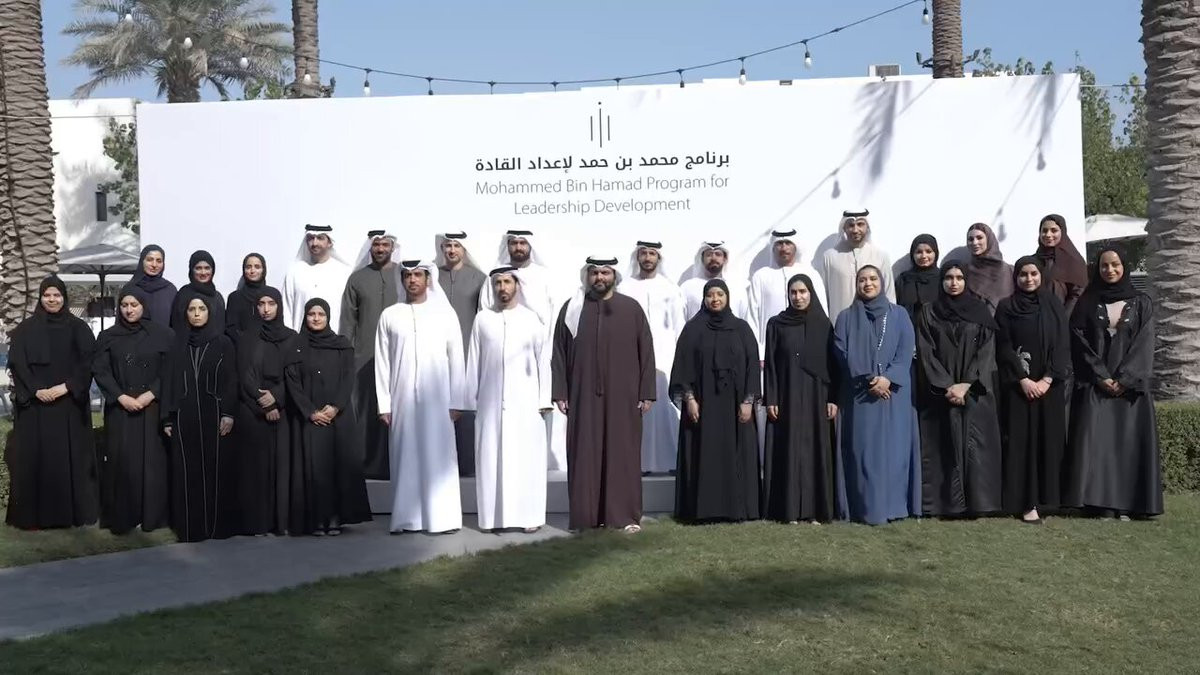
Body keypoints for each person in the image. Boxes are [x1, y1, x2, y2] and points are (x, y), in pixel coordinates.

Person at [552, 256, 655, 532]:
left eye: (605, 272)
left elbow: (646, 350)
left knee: (623, 453)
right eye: (595, 272)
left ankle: (624, 517)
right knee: (584, 453)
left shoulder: (631, 309)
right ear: (587, 275)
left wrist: (646, 392)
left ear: (614, 276)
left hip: (624, 395)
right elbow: (559, 352)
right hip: (582, 394)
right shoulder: (572, 309)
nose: (600, 277)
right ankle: (585, 518)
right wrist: (560, 391)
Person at [1065, 247, 1162, 519]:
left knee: (1127, 445)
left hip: (1131, 391)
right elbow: (1079, 342)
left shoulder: (1142, 303)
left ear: (1124, 266)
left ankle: (1129, 505)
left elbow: (1145, 343)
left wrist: (1125, 379)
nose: (1110, 270)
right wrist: (1101, 376)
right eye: (1104, 266)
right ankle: (1101, 506)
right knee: (1098, 447)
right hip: (1096, 387)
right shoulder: (1087, 303)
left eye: (1115, 264)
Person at [375, 260, 465, 534]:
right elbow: (382, 363)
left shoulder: (445, 314)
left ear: (428, 279)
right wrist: (384, 404)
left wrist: (457, 400)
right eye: (407, 275)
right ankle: (406, 519)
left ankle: (443, 520)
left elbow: (457, 358)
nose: (412, 280)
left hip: (439, 400)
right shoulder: (390, 315)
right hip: (401, 398)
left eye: (417, 275)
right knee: (405, 457)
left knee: (439, 457)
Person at [4, 276, 98, 530]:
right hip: (36, 408)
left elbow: (88, 362)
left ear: (64, 297)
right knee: (37, 460)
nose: (52, 300)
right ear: (41, 297)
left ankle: (70, 514)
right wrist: (36, 390)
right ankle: (36, 517)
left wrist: (66, 387)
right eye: (47, 295)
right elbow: (18, 364)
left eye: (57, 295)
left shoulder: (78, 328)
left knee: (70, 459)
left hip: (68, 406)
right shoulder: (25, 330)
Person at [464, 267, 552, 533]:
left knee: (526, 461)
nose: (502, 288)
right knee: (491, 460)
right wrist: (469, 400)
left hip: (526, 404)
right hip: (490, 404)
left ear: (517, 285)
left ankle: (529, 518)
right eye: (498, 283)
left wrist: (543, 400)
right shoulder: (483, 319)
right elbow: (474, 361)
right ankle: (492, 519)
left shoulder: (532, 320)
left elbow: (543, 362)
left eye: (507, 282)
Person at [914, 261, 1003, 517]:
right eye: (949, 277)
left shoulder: (980, 311)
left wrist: (966, 385)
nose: (954, 283)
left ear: (966, 281)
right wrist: (947, 385)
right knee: (943, 446)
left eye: (959, 277)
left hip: (975, 392)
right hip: (941, 394)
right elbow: (926, 352)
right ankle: (946, 505)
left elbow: (987, 352)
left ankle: (979, 504)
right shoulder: (929, 312)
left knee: (976, 449)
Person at [832, 265, 920, 525]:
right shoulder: (846, 317)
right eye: (862, 280)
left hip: (894, 395)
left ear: (882, 283)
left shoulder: (899, 314)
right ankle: (865, 508)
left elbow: (906, 350)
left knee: (895, 452)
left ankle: (894, 506)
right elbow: (841, 351)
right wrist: (868, 378)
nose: (868, 284)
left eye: (872, 279)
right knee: (863, 451)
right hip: (860, 395)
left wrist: (888, 379)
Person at [670, 279, 761, 522]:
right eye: (710, 295)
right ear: (704, 298)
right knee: (704, 452)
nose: (715, 299)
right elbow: (683, 367)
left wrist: (748, 401)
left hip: (735, 405)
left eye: (720, 294)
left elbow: (752, 366)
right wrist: (690, 399)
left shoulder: (741, 329)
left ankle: (737, 509)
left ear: (727, 297)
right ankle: (704, 510)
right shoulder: (693, 329)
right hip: (704, 405)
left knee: (737, 452)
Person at [285, 298, 372, 536]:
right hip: (310, 418)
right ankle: (316, 519)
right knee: (314, 469)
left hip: (338, 418)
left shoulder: (341, 345)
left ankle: (335, 518)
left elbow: (348, 378)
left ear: (328, 317)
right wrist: (310, 412)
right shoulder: (296, 346)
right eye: (311, 314)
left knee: (336, 466)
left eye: (321, 314)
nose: (316, 318)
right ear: (305, 317)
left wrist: (335, 407)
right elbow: (292, 381)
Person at [481, 229, 566, 472]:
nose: (518, 247)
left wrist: (548, 349)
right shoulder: (496, 275)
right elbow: (486, 312)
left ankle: (538, 465)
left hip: (541, 352)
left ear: (530, 246)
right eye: (514, 243)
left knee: (537, 414)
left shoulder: (545, 276)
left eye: (522, 243)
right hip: (500, 357)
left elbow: (554, 316)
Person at [995, 257, 1071, 524]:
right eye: (1023, 274)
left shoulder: (1053, 305)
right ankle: (1027, 503)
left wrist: (1047, 379)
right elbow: (1003, 346)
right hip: (1020, 388)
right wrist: (1023, 380)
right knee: (1022, 444)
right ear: (1015, 277)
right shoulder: (1006, 307)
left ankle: (1047, 499)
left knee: (1047, 441)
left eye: (1034, 274)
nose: (1029, 279)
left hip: (1049, 388)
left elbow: (1062, 343)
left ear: (1041, 275)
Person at [93, 286, 174, 535]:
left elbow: (170, 369)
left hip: (152, 408)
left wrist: (151, 394)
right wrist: (120, 397)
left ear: (143, 306)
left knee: (151, 463)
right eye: (124, 305)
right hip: (121, 409)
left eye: (134, 305)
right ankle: (123, 516)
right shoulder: (108, 336)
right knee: (122, 461)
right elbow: (101, 370)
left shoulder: (162, 334)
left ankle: (151, 516)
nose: (129, 310)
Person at [160, 294, 237, 542]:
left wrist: (228, 413)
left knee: (215, 471)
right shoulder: (177, 344)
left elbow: (230, 380)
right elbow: (168, 382)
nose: (196, 314)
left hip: (214, 415)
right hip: (184, 416)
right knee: (187, 472)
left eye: (201, 309)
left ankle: (216, 527)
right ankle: (190, 529)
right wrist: (167, 418)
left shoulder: (223, 343)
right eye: (191, 309)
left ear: (210, 312)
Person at [762, 274, 837, 524]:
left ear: (811, 293)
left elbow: (833, 365)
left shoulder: (823, 324)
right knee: (789, 448)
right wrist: (771, 397)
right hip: (787, 395)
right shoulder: (776, 324)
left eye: (803, 292)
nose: (798, 297)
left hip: (817, 396)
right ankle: (789, 510)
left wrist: (832, 398)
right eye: (793, 292)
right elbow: (771, 364)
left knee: (815, 449)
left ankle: (816, 510)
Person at [617, 241, 686, 474]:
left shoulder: (671, 289)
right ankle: (639, 463)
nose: (647, 258)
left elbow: (679, 327)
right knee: (638, 409)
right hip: (631, 355)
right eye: (644, 253)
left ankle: (671, 461)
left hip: (666, 355)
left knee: (666, 407)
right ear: (637, 257)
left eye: (652, 254)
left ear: (659, 258)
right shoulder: (625, 287)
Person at [232, 286, 296, 536]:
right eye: (261, 304)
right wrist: (263, 403)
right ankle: (257, 523)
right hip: (253, 412)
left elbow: (294, 375)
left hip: (283, 413)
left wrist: (277, 399)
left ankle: (281, 522)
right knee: (255, 470)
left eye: (271, 303)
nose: (266, 309)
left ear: (279, 306)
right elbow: (243, 374)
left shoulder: (291, 338)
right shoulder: (247, 338)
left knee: (281, 468)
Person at [339, 229, 399, 480]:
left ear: (393, 247)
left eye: (385, 244)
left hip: (400, 357)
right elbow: (348, 322)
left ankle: (399, 463)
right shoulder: (357, 279)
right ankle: (369, 466)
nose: (381, 249)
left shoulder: (405, 275)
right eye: (376, 245)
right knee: (367, 411)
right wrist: (346, 356)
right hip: (365, 358)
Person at [436, 231, 488, 478]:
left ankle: (468, 466)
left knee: (466, 411)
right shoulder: (432, 277)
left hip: (468, 354)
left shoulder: (479, 278)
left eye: (457, 245)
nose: (452, 250)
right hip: (436, 355)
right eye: (448, 245)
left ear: (464, 249)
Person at [747, 229, 826, 355]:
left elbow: (822, 311)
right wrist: (758, 352)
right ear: (773, 248)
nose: (784, 248)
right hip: (770, 348)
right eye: (779, 244)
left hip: (807, 347)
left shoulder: (811, 274)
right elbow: (752, 317)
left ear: (796, 246)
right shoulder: (761, 276)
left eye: (788, 243)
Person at [820, 210, 895, 318]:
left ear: (867, 227)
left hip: (875, 322)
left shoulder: (880, 256)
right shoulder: (830, 257)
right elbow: (824, 296)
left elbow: (889, 294)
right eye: (851, 225)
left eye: (860, 224)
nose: (855, 230)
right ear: (844, 228)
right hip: (840, 322)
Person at [282, 224, 352, 331]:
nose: (314, 243)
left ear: (330, 242)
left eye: (320, 238)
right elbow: (286, 310)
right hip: (300, 338)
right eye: (311, 238)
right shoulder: (294, 272)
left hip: (334, 338)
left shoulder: (344, 273)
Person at [1035, 213, 1088, 314]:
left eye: (1054, 230)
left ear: (1062, 232)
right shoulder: (1034, 260)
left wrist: (1062, 319)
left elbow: (1077, 295)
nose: (1048, 235)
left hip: (1065, 318)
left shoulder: (1074, 261)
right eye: (1044, 231)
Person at [679, 241, 747, 319]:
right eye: (709, 254)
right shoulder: (687, 288)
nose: (713, 258)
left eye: (718, 254)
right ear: (702, 259)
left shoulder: (737, 288)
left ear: (725, 258)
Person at [169, 250, 226, 331]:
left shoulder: (217, 297)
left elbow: (221, 326)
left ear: (213, 270)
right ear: (192, 270)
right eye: (198, 268)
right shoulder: (183, 294)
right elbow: (176, 325)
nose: (203, 273)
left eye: (207, 268)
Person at [964, 222, 1013, 313]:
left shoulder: (1009, 271)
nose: (975, 242)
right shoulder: (964, 272)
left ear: (989, 239)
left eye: (979, 238)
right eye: (970, 239)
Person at [225, 252, 269, 343]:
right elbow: (230, 327)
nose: (252, 271)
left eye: (257, 267)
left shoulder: (270, 295)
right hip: (240, 346)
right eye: (248, 267)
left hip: (267, 345)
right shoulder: (235, 297)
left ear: (263, 270)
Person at [895, 234, 941, 319]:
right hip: (909, 326)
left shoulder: (943, 278)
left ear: (936, 253)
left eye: (928, 251)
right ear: (913, 254)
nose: (924, 256)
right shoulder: (904, 279)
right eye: (919, 252)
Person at [131, 244, 176, 327]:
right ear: (142, 261)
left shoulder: (170, 290)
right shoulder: (131, 289)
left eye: (159, 261)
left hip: (163, 335)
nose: (154, 265)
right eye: (149, 260)